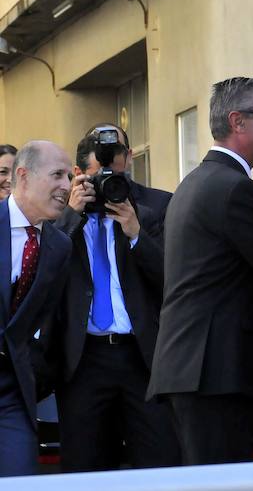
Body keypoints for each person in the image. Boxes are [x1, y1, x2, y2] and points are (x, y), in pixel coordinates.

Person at [147, 77, 253, 465]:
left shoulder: (195, 183)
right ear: (237, 121)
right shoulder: (235, 189)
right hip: (214, 374)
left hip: (193, 372)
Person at [45, 135, 178, 471]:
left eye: (115, 177)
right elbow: (44, 276)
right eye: (96, 178)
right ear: (78, 174)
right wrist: (71, 217)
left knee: (159, 460)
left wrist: (136, 233)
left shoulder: (155, 209)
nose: (107, 186)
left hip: (142, 356)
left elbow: (172, 282)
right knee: (84, 466)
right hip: (83, 359)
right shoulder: (57, 217)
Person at [0, 141, 73, 477]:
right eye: (57, 175)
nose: (67, 186)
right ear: (24, 177)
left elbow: (43, 320)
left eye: (70, 177)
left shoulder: (59, 246)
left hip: (12, 391)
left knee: (20, 475)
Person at [84, 124, 171, 243]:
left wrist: (137, 234)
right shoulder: (75, 208)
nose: (108, 154)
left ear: (129, 156)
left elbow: (166, 259)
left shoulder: (160, 204)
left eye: (115, 148)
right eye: (97, 149)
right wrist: (71, 214)